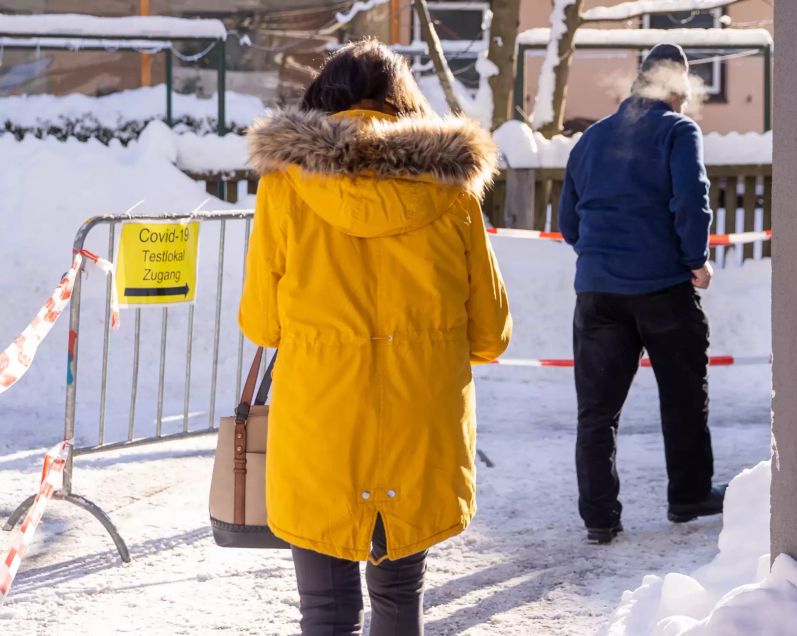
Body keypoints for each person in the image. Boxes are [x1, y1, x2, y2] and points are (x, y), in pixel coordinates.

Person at [239, 40, 511, 635]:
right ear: (404, 101)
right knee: (399, 594)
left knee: (326, 608)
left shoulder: (285, 186)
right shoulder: (452, 189)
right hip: (418, 423)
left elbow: (261, 324)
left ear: (321, 101)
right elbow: (491, 334)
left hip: (321, 420)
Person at [558, 43, 725, 545]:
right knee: (681, 396)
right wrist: (695, 260)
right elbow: (689, 198)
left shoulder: (590, 139)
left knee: (597, 412)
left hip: (597, 294)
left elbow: (569, 223)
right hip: (662, 289)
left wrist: (603, 258)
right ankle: (689, 496)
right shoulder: (678, 130)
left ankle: (599, 517)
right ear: (677, 87)